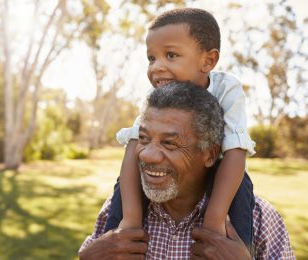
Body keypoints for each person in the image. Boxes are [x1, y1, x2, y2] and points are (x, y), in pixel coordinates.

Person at [79, 82, 295, 259]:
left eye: (170, 143)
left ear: (210, 155)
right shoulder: (118, 210)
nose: (146, 155)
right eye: (143, 139)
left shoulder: (259, 220)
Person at [105, 7, 256, 250]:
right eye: (152, 58)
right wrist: (130, 219)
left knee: (242, 188)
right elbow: (134, 145)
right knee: (123, 187)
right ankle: (114, 247)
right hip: (166, 174)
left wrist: (214, 219)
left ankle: (236, 249)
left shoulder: (226, 88)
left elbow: (236, 150)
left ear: (208, 60)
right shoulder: (155, 97)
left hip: (220, 170)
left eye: (171, 55)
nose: (157, 67)